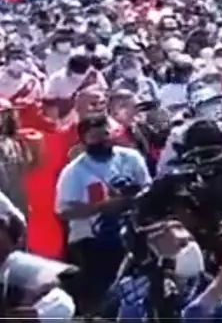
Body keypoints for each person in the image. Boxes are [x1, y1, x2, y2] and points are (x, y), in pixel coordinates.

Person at [55, 113, 151, 316]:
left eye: (106, 135)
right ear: (84, 140)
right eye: (96, 138)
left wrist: (131, 199)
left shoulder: (130, 158)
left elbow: (149, 189)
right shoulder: (74, 171)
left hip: (134, 235)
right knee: (101, 299)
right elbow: (64, 211)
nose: (103, 141)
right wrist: (101, 208)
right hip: (92, 243)